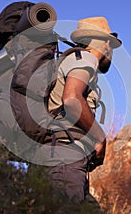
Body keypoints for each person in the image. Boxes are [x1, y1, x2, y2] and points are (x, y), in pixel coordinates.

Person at [39, 16, 122, 202]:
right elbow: (71, 99)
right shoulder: (85, 58)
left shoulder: (71, 59)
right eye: (111, 46)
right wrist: (100, 138)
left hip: (60, 156)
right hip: (65, 158)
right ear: (106, 42)